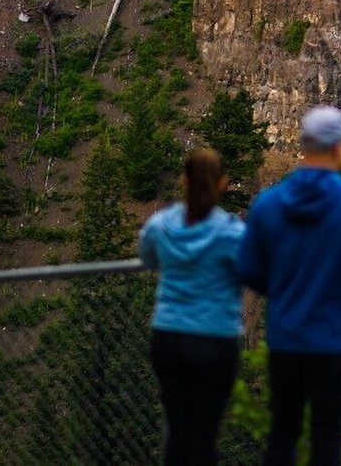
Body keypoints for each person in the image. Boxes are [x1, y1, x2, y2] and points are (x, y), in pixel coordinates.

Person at [238, 104, 341, 466]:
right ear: (339, 148)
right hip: (335, 339)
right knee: (327, 437)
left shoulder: (267, 203)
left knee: (283, 434)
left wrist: (282, 293)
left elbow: (247, 267)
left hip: (285, 337)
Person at [138, 147, 246, 466]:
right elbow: (253, 269)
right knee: (205, 433)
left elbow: (147, 256)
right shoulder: (231, 232)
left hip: (169, 335)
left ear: (183, 181)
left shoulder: (161, 225)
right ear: (223, 183)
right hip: (215, 338)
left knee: (177, 428)